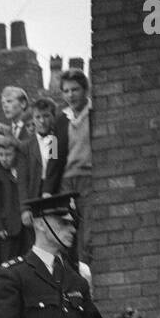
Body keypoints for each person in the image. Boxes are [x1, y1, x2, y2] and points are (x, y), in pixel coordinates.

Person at [58, 68, 93, 259]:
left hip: (88, 180)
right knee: (67, 235)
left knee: (88, 235)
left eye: (75, 89)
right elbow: (54, 155)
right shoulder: (60, 120)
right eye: (66, 91)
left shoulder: (94, 114)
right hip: (66, 183)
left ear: (85, 90)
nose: (70, 95)